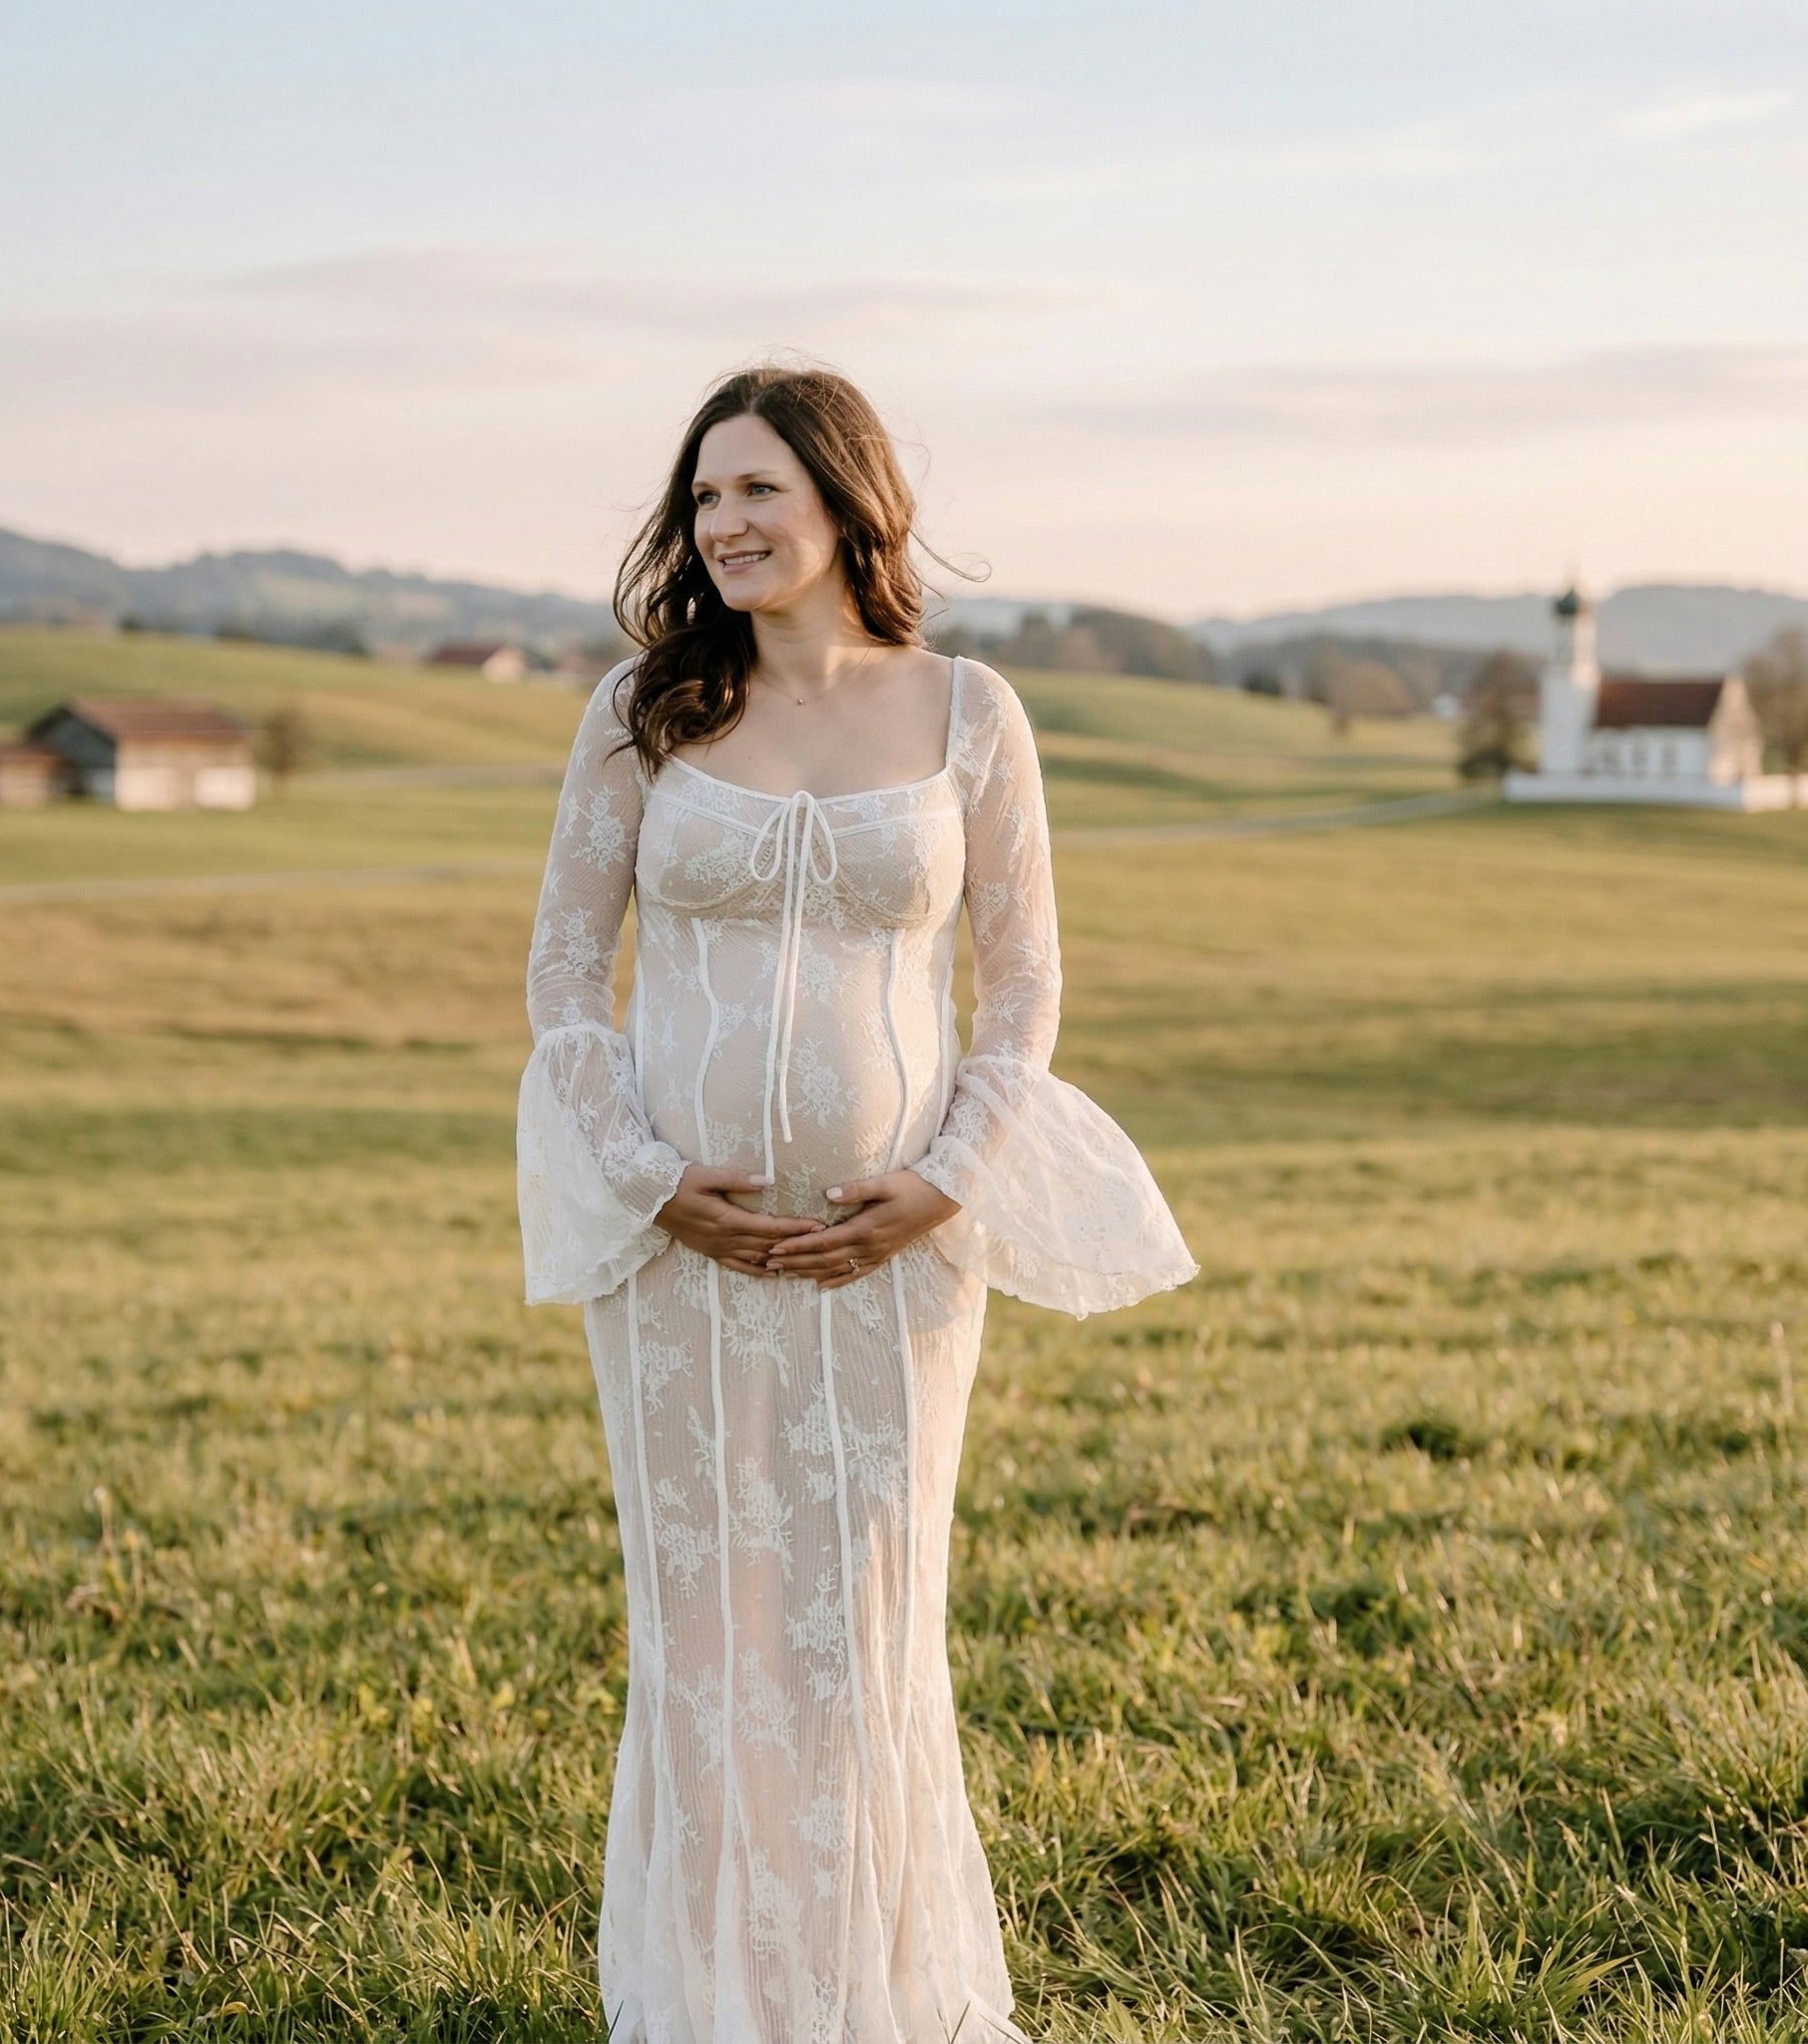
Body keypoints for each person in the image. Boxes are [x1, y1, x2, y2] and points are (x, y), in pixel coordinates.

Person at [519, 364, 1196, 2043]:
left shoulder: (970, 711)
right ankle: (707, 2007)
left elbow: (1023, 989)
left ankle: (879, 2005)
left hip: (902, 1254)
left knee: (866, 1631)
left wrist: (944, 1181)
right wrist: (649, 1180)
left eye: (757, 490)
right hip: (680, 1248)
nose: (725, 525)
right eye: (703, 499)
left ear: (844, 500)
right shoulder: (642, 711)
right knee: (708, 1633)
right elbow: (559, 973)